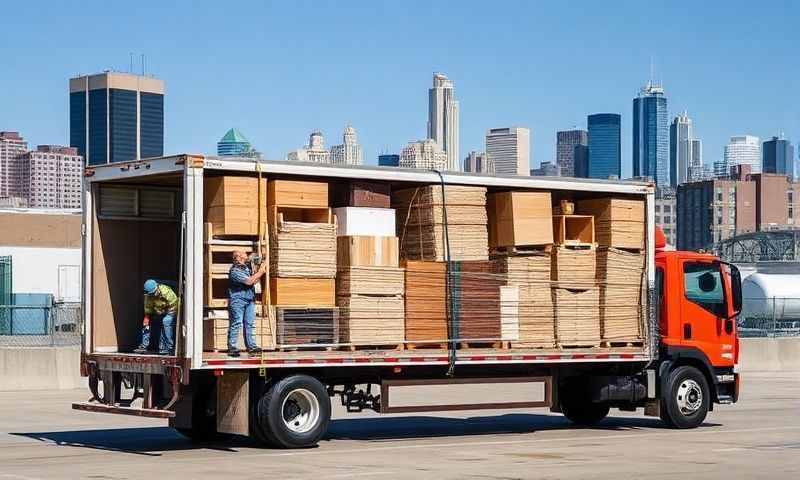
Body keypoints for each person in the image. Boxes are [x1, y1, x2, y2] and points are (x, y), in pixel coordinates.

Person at [228, 250, 268, 357]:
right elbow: (249, 281)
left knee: (249, 323)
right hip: (238, 300)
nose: (246, 255)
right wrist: (261, 271)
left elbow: (254, 281)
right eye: (244, 254)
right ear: (238, 257)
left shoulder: (245, 268)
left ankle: (252, 346)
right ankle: (232, 347)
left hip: (249, 299)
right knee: (236, 322)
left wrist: (259, 268)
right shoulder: (235, 271)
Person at [134, 279, 179, 355]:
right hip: (158, 310)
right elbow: (148, 308)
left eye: (153, 293)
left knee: (166, 322)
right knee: (146, 324)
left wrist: (164, 312)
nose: (152, 295)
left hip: (170, 310)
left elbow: (174, 304)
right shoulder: (148, 295)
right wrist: (147, 317)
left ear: (157, 287)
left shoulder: (166, 292)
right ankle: (144, 346)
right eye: (150, 294)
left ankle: (168, 348)